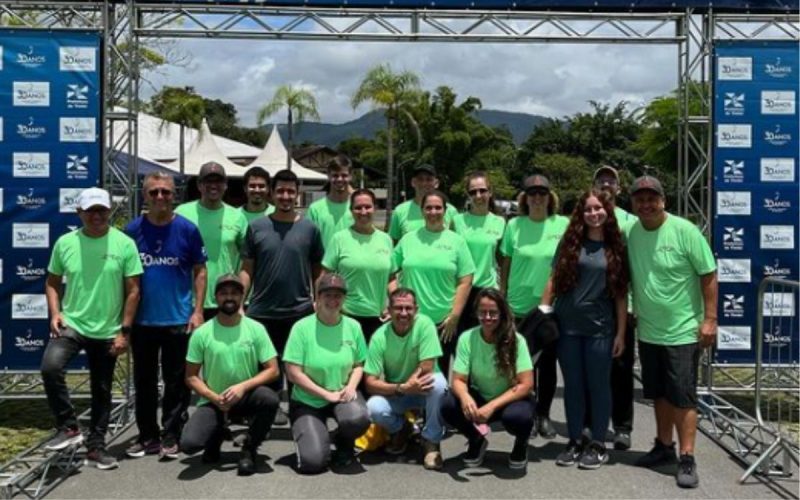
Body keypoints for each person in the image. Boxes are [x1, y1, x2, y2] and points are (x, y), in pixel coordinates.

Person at [41, 187, 143, 470]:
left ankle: (96, 448)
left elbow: (133, 291)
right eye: (90, 211)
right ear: (79, 213)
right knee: (51, 367)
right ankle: (69, 427)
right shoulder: (65, 243)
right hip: (73, 324)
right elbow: (51, 282)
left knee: (102, 391)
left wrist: (124, 331)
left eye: (101, 210)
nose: (96, 216)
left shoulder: (124, 243)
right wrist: (55, 313)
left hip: (108, 330)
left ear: (109, 211)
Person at [627, 175, 717, 489]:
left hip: (682, 332)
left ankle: (687, 457)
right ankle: (663, 447)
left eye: (652, 198)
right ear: (633, 204)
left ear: (663, 200)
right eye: (640, 199)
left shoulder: (685, 231)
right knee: (659, 394)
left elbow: (708, 273)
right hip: (649, 331)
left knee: (683, 397)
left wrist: (710, 319)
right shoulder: (633, 233)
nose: (646, 204)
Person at [540, 189, 629, 469]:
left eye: (598, 208)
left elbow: (621, 295)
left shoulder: (617, 246)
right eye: (588, 209)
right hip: (567, 328)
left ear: (607, 211)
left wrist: (620, 334)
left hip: (600, 329)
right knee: (573, 387)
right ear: (581, 213)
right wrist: (544, 313)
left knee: (599, 386)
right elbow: (553, 280)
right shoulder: (570, 242)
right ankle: (575, 440)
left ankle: (598, 443)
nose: (593, 214)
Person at [124, 172, 208, 460]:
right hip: (143, 322)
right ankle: (147, 435)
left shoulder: (188, 229)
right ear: (144, 195)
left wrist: (197, 311)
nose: (160, 197)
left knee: (176, 382)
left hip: (178, 320)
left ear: (175, 196)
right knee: (144, 382)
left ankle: (171, 433)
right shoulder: (131, 230)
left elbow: (200, 270)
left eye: (166, 192)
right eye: (154, 192)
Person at [180, 274, 280, 476]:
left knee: (269, 399)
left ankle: (249, 448)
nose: (229, 297)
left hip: (246, 397)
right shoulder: (202, 333)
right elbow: (190, 376)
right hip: (214, 399)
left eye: (235, 293)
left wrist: (243, 387)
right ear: (216, 297)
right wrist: (213, 398)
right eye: (224, 293)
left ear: (242, 297)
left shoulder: (256, 329)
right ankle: (216, 434)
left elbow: (273, 370)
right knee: (189, 445)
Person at [240, 169, 325, 389]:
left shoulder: (310, 229)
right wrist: (241, 303)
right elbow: (247, 269)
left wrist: (318, 301)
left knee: (299, 369)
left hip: (299, 311)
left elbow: (318, 270)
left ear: (297, 194)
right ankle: (270, 411)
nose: (285, 196)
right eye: (280, 191)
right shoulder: (256, 227)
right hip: (262, 311)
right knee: (266, 373)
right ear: (271, 193)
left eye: (290, 191)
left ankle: (300, 416)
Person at [499, 174, 568, 439]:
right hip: (518, 306)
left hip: (550, 306)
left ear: (550, 197)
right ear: (525, 198)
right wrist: (502, 295)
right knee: (520, 364)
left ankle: (543, 414)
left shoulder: (562, 224)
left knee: (547, 365)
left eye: (542, 193)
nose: (537, 198)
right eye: (532, 194)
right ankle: (524, 414)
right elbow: (505, 263)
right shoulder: (514, 225)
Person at [283, 274, 370, 473]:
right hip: (308, 400)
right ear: (318, 298)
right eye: (327, 295)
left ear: (344, 299)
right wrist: (325, 394)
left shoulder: (353, 326)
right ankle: (311, 435)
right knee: (313, 462)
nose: (333, 300)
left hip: (341, 394)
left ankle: (342, 440)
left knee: (358, 419)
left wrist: (351, 387)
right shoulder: (301, 328)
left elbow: (359, 365)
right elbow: (293, 373)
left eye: (338, 296)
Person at [440, 288, 534, 470]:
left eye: (493, 312)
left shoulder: (516, 340)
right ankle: (476, 439)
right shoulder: (467, 338)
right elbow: (458, 380)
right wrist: (466, 397)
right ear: (476, 313)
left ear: (502, 313)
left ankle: (521, 443)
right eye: (483, 312)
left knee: (518, 417)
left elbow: (526, 384)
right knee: (447, 404)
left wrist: (491, 406)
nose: (488, 317)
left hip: (509, 399)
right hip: (481, 396)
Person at [390, 190, 475, 377]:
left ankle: (438, 408)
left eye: (438, 208)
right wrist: (395, 302)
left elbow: (466, 280)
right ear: (422, 211)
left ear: (445, 211)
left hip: (443, 324)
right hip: (411, 320)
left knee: (438, 379)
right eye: (428, 207)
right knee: (409, 375)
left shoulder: (456, 241)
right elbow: (389, 271)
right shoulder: (408, 239)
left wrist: (454, 316)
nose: (433, 212)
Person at [364, 288, 447, 470]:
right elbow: (370, 382)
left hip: (422, 386)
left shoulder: (425, 324)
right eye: (398, 308)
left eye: (408, 308)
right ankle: (401, 430)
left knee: (439, 385)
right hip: (399, 391)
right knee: (373, 408)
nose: (403, 313)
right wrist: (402, 388)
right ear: (389, 310)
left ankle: (431, 441)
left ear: (416, 309)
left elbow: (427, 366)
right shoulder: (379, 337)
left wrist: (410, 385)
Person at [590, 164, 638, 450]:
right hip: (592, 306)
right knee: (593, 369)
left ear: (619, 188)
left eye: (611, 181)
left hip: (623, 304)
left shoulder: (631, 221)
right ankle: (593, 424)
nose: (606, 185)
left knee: (621, 369)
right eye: (601, 181)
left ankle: (622, 427)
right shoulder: (588, 215)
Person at [175, 161, 248, 319]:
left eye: (218, 181)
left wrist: (241, 301)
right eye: (208, 181)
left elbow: (246, 263)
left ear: (226, 185)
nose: (213, 186)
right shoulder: (181, 213)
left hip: (226, 300)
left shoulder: (237, 217)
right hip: (188, 302)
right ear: (199, 185)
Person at [322, 188, 393, 340]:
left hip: (378, 318)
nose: (363, 211)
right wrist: (322, 307)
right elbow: (324, 277)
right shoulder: (339, 239)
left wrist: (392, 305)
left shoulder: (385, 240)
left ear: (375, 208)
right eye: (358, 207)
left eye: (367, 207)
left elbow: (391, 278)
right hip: (345, 316)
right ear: (351, 211)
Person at [453, 171, 507, 334]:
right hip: (461, 290)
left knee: (487, 341)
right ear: (467, 195)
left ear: (490, 192)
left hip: (487, 290)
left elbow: (503, 260)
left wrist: (502, 291)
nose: (478, 195)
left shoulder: (500, 222)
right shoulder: (457, 221)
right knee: (460, 343)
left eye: (482, 190)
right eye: (473, 191)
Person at [387, 164, 458, 242]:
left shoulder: (450, 210)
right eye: (420, 179)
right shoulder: (400, 211)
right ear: (413, 182)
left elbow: (456, 240)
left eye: (429, 179)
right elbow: (393, 242)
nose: (424, 183)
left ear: (436, 183)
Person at [306, 154, 355, 249]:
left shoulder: (358, 208)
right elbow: (308, 241)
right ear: (328, 176)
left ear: (351, 176)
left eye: (344, 175)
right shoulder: (315, 209)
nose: (340, 179)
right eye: (335, 175)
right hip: (323, 263)